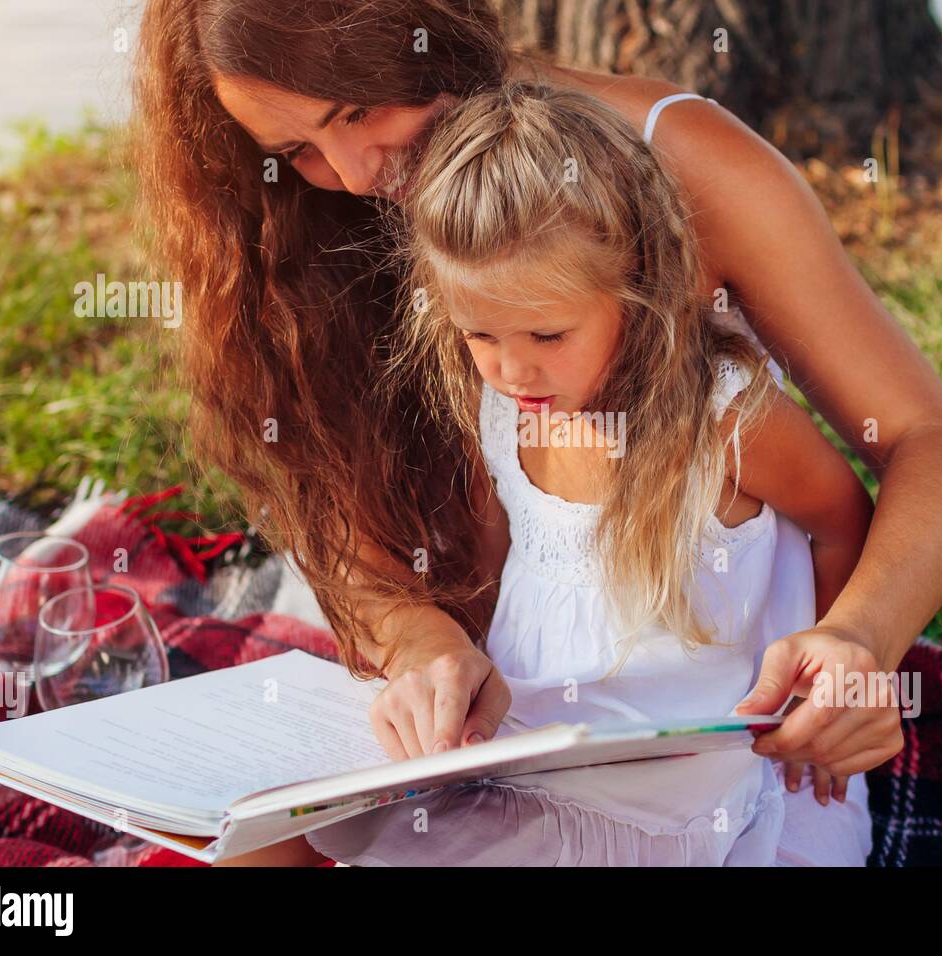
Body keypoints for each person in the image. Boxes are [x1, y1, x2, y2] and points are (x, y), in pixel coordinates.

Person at [138, 0, 942, 862]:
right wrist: (415, 636)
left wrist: (857, 637)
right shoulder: (317, 228)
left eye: (356, 110)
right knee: (228, 833)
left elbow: (929, 443)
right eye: (296, 153)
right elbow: (352, 503)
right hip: (504, 714)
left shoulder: (683, 167)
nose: (358, 175)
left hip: (706, 756)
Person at [293, 80, 873, 865]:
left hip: (678, 786)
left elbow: (842, 518)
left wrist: (824, 674)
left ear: (634, 288)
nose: (512, 367)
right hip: (529, 758)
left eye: (548, 331)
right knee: (277, 830)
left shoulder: (725, 421)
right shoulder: (502, 405)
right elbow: (504, 561)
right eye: (479, 334)